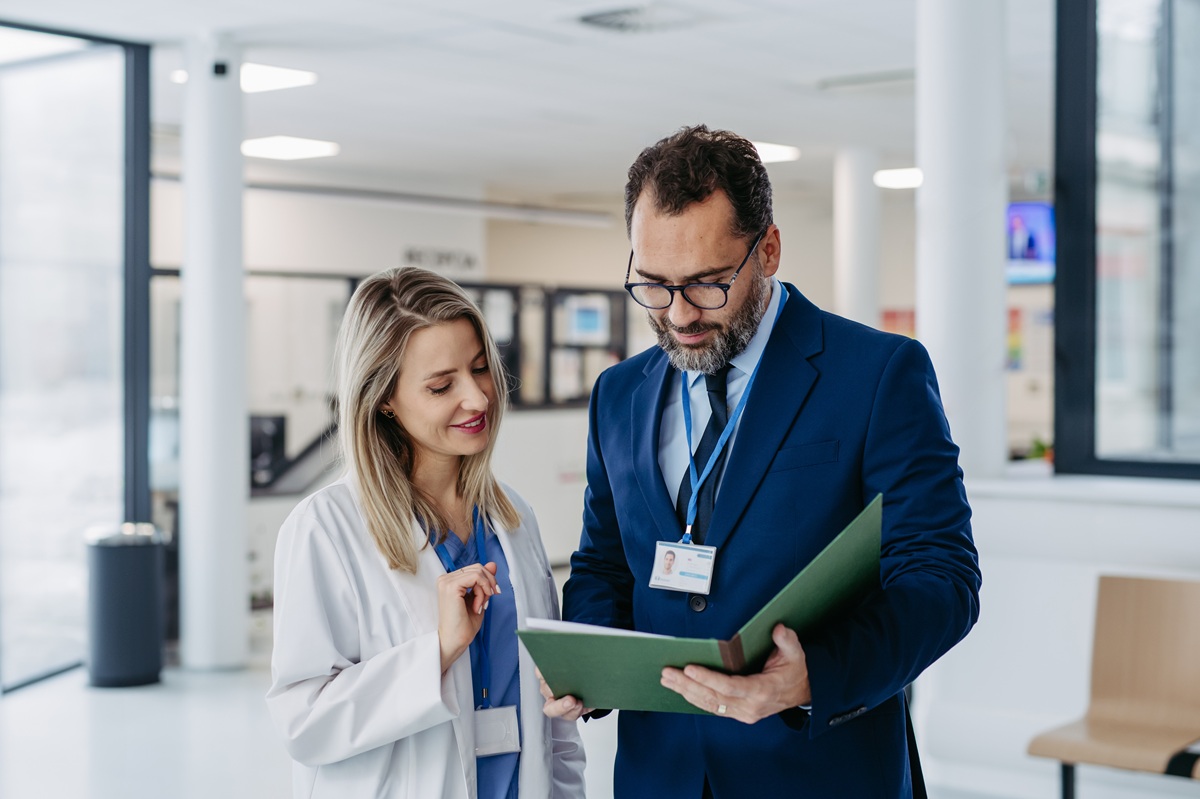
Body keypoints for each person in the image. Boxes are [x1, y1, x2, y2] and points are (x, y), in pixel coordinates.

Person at [541, 125, 981, 798]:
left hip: (819, 770)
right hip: (660, 776)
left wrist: (813, 675)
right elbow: (604, 561)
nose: (679, 314)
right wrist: (589, 662)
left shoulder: (876, 373)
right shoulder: (618, 393)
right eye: (654, 285)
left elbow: (942, 578)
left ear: (767, 249)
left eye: (708, 284)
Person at [267, 267, 586, 799]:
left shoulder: (513, 519)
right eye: (442, 385)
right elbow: (303, 722)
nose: (479, 399)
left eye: (480, 368)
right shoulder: (325, 529)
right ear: (383, 397)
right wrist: (436, 652)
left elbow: (555, 728)